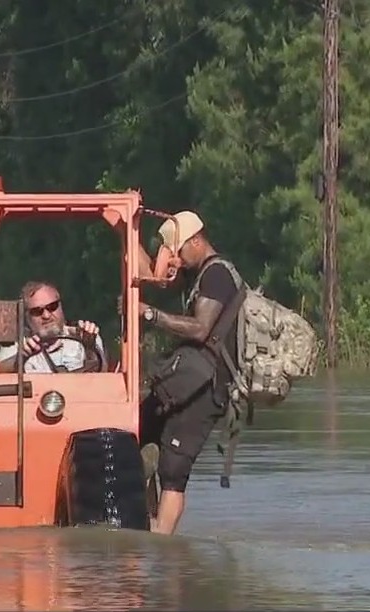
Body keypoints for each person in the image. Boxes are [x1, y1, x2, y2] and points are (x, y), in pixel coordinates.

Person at [137, 210, 242, 535]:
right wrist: (131, 230)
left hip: (207, 389)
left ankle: (160, 542)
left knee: (173, 470)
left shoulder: (216, 276)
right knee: (134, 434)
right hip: (184, 381)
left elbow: (199, 329)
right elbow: (149, 278)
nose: (177, 261)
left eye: (179, 252)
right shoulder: (198, 275)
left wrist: (152, 316)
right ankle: (146, 523)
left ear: (196, 241)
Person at [0, 280, 107, 374]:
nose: (46, 316)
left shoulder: (84, 335)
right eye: (37, 311)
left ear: (61, 307)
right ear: (27, 317)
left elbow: (104, 377)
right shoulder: (19, 343)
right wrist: (21, 357)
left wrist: (90, 349)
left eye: (52, 307)